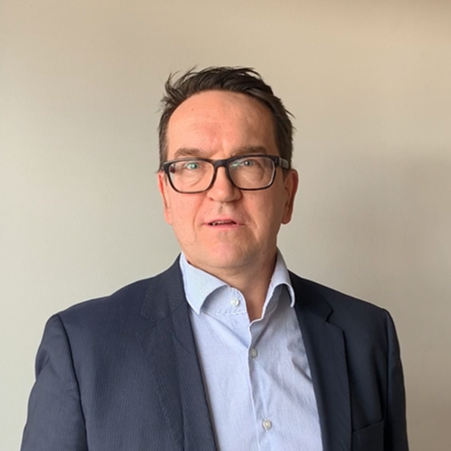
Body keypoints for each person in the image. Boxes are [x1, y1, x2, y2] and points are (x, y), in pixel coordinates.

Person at [21, 67, 409, 451]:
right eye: (192, 165)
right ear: (166, 195)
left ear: (287, 194)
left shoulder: (367, 335)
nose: (222, 191)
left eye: (248, 162)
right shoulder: (83, 347)